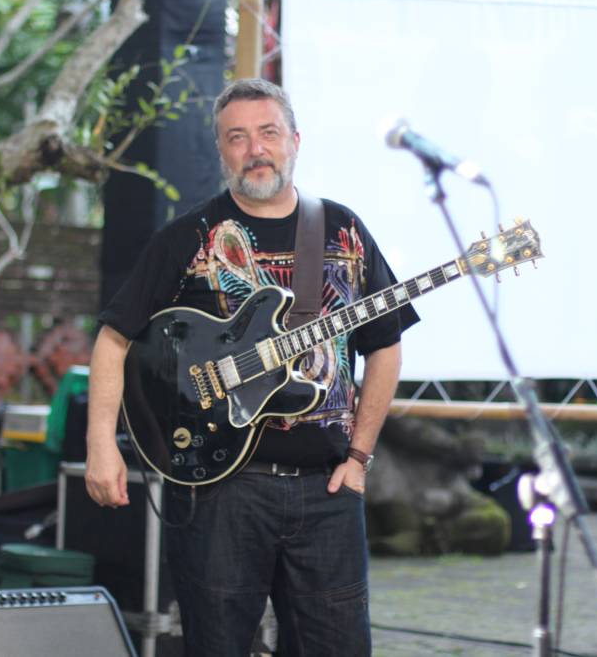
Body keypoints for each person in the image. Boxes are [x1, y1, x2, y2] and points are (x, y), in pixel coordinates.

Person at [84, 77, 419, 655]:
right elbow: (114, 341)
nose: (255, 149)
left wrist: (360, 457)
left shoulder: (341, 229)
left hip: (328, 488)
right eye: (237, 137)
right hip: (220, 491)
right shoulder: (189, 237)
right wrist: (100, 445)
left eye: (267, 133)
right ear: (221, 151)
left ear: (294, 140)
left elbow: (384, 346)